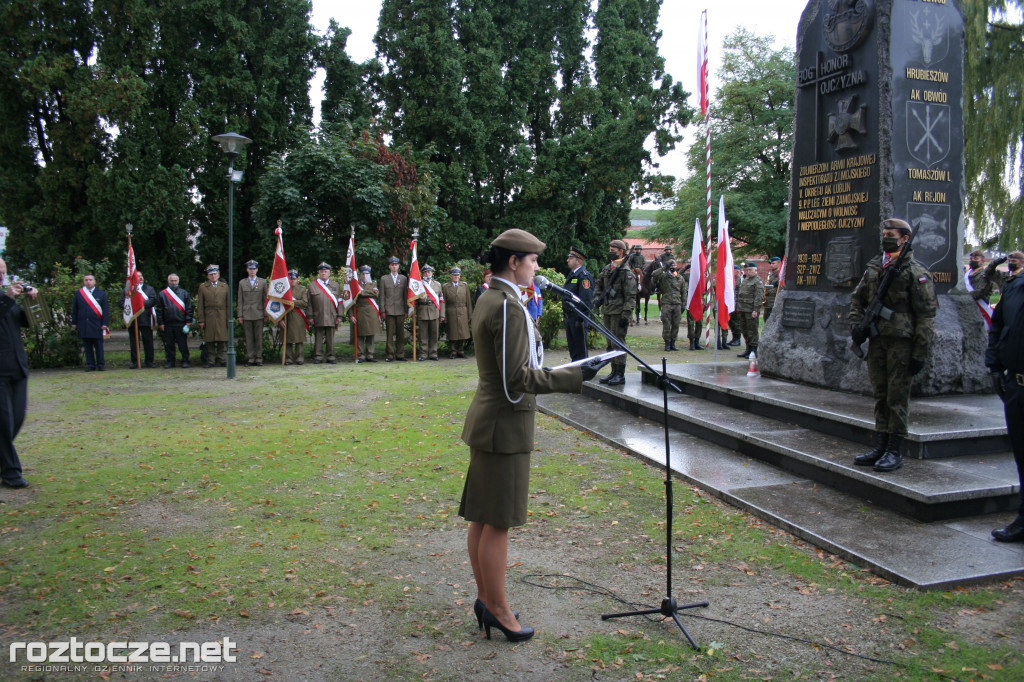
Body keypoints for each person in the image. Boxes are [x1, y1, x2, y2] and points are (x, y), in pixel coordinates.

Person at [460, 227, 607, 643]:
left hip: (491, 422)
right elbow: (515, 380)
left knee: (484, 517)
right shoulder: (506, 305)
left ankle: (488, 599)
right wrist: (574, 374)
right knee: (498, 521)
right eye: (533, 261)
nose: (537, 268)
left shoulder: (493, 297)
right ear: (513, 262)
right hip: (503, 425)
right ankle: (498, 608)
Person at [849, 218, 937, 473]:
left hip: (902, 343)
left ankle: (894, 450)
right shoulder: (875, 266)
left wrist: (920, 352)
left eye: (891, 234)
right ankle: (881, 444)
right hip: (878, 340)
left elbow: (926, 316)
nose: (885, 237)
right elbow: (858, 298)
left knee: (896, 398)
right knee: (880, 394)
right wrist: (858, 326)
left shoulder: (915, 272)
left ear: (905, 239)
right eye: (884, 233)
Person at [985, 260, 1024, 542]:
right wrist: (995, 366)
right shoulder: (1014, 287)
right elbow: (998, 328)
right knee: (1022, 455)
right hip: (1017, 385)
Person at [1, 279, 35, 489]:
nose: (2, 277)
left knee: (17, 418)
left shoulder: (9, 300)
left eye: (3, 273)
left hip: (17, 368)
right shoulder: (6, 299)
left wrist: (33, 301)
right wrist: (7, 298)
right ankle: (11, 473)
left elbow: (31, 321)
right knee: (4, 422)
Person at [594, 239, 638, 385]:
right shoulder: (608, 268)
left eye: (614, 249)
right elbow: (598, 285)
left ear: (621, 251)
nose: (610, 251)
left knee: (618, 343)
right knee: (610, 343)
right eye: (610, 248)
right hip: (608, 310)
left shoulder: (626, 271)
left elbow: (631, 296)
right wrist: (597, 298)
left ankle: (620, 374)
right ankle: (613, 371)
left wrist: (626, 315)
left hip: (619, 312)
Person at [70, 274, 110, 371]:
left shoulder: (101, 294)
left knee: (98, 345)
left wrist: (105, 323)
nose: (88, 282)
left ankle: (101, 364)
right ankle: (90, 365)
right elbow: (75, 309)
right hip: (84, 324)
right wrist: (74, 322)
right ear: (83, 282)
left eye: (90, 280)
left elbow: (106, 310)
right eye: (86, 280)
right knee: (87, 346)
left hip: (97, 324)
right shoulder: (79, 293)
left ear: (94, 281)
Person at [121, 271, 158, 368]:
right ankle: (135, 362)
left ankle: (149, 361)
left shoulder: (149, 289)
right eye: (137, 276)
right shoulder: (127, 289)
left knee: (148, 341)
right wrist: (132, 307)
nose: (140, 278)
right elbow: (121, 302)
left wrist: (140, 306)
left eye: (141, 276)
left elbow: (153, 300)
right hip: (133, 320)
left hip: (146, 319)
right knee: (134, 342)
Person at [563, 247, 594, 362]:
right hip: (569, 317)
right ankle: (574, 371)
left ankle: (583, 371)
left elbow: (586, 300)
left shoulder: (584, 276)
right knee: (573, 348)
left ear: (579, 260)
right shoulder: (572, 274)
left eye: (571, 258)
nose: (567, 260)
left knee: (581, 349)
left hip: (578, 318)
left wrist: (581, 319)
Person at [156, 273, 193, 368]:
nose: (173, 282)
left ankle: (185, 361)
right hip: (168, 324)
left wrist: (188, 322)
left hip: (181, 323)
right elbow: (159, 310)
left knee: (183, 344)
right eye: (172, 280)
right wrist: (161, 323)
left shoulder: (184, 293)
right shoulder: (162, 294)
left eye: (175, 280)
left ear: (178, 281)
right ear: (168, 281)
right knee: (169, 345)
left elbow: (189, 308)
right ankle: (170, 361)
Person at [196, 264, 229, 369]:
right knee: (209, 339)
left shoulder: (224, 286)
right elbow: (200, 305)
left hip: (222, 315)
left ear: (218, 274)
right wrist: (201, 319)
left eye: (215, 274)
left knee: (222, 339)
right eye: (211, 274)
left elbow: (228, 304)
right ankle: (211, 360)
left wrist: (228, 318)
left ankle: (222, 359)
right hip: (209, 315)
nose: (213, 276)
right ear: (208, 276)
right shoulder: (203, 287)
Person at [309, 263, 342, 364]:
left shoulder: (335, 285)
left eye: (325, 271)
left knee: (330, 337)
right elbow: (309, 303)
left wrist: (340, 316)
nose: (323, 273)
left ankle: (330, 356)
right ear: (319, 273)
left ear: (329, 273)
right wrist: (310, 316)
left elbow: (340, 302)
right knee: (318, 337)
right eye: (321, 271)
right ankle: (318, 356)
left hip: (332, 315)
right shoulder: (312, 285)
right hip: (318, 314)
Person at [237, 259, 268, 367]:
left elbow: (265, 299)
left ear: (257, 269)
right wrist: (240, 315)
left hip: (259, 313)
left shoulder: (263, 282)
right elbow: (240, 300)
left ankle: (259, 358)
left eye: (254, 269)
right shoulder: (242, 283)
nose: (252, 271)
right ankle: (250, 358)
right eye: (250, 269)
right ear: (247, 270)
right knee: (249, 338)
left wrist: (266, 314)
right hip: (246, 314)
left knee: (258, 338)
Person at [379, 257, 410, 362]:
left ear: (398, 266)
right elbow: (382, 296)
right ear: (389, 266)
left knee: (401, 333)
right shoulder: (384, 279)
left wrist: (406, 310)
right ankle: (390, 354)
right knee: (390, 334)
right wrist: (382, 310)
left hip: (401, 309)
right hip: (389, 310)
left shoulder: (404, 278)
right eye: (392, 265)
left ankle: (400, 354)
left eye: (396, 264)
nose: (394, 266)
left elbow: (406, 296)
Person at [651, 259, 686, 351]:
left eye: (674, 265)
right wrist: (664, 267)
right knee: (666, 324)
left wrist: (683, 304)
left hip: (677, 304)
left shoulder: (680, 278)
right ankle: (667, 343)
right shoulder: (663, 276)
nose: (672, 267)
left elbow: (683, 292)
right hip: (667, 303)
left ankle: (673, 343)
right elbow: (654, 274)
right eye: (671, 265)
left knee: (676, 324)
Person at [351, 266, 382, 363]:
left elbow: (376, 294)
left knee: (370, 334)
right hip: (359, 312)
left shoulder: (373, 283)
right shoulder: (355, 284)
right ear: (360, 275)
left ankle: (370, 354)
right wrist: (351, 315)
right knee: (360, 335)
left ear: (370, 275)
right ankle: (361, 355)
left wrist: (361, 292)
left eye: (367, 274)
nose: (365, 276)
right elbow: (350, 301)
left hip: (371, 311)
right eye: (363, 274)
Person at [735, 262, 765, 359]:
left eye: (750, 270)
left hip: (751, 310)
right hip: (743, 309)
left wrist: (755, 310)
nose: (748, 272)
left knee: (752, 330)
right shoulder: (745, 280)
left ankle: (753, 350)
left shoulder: (758, 281)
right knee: (744, 330)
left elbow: (759, 297)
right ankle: (748, 348)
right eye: (747, 270)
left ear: (755, 270)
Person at [442, 267, 473, 358]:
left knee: (462, 332)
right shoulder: (445, 286)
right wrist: (444, 316)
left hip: (463, 311)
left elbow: (468, 301)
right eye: (454, 275)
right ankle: (453, 351)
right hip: (451, 311)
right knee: (452, 333)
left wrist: (469, 314)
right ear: (451, 276)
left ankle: (461, 350)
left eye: (458, 275)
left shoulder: (464, 286)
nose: (456, 277)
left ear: (460, 276)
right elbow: (443, 301)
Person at [416, 264, 443, 361]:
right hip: (422, 310)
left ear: (432, 273)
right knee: (422, 335)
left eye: (429, 272)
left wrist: (442, 314)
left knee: (434, 334)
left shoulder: (437, 284)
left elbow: (441, 300)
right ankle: (423, 354)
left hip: (434, 311)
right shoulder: (418, 284)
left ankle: (433, 353)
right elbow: (414, 300)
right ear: (422, 274)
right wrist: (414, 313)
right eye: (425, 272)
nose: (427, 274)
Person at [282, 269, 309, 365]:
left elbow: (305, 303)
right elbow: (279, 305)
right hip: (286, 316)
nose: (292, 280)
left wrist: (291, 302)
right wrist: (280, 319)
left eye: (294, 279)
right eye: (290, 279)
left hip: (298, 316)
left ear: (297, 279)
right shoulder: (283, 289)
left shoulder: (302, 289)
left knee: (299, 339)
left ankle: (299, 358)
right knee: (287, 339)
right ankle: (288, 358)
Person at [764, 257, 781, 321]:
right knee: (766, 320)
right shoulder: (770, 276)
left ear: (779, 264)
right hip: (767, 303)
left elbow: (780, 288)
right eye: (771, 263)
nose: (771, 265)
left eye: (773, 263)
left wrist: (768, 291)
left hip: (775, 302)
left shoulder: (780, 275)